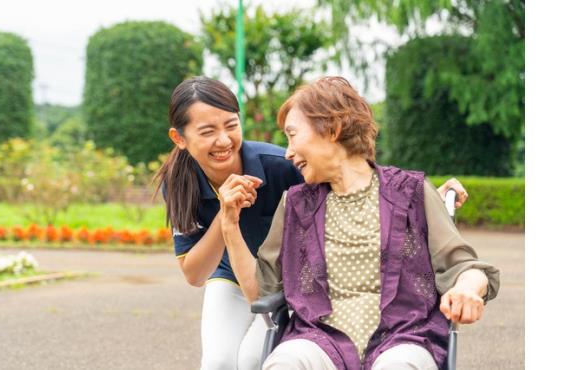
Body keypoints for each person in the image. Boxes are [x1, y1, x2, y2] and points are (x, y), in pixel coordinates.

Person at [155, 76, 470, 370]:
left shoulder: (283, 165)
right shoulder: (181, 183)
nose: (223, 140)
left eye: (231, 125)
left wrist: (416, 201)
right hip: (236, 275)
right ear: (179, 138)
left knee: (253, 357)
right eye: (207, 131)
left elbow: (349, 172)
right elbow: (195, 274)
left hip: (292, 278)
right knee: (220, 363)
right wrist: (226, 218)